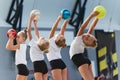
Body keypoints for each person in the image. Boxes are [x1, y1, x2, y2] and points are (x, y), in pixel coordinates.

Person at [69, 11, 99, 80]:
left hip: (79, 59)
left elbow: (82, 27)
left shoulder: (78, 39)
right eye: (88, 35)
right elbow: (92, 27)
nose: (86, 36)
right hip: (83, 59)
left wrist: (91, 15)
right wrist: (97, 18)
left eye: (87, 38)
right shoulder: (83, 41)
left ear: (86, 43)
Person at [27, 13, 49, 80]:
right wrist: (35, 24)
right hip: (43, 64)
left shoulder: (34, 44)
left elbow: (29, 31)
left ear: (40, 41)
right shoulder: (39, 45)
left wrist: (30, 19)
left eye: (43, 38)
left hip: (37, 64)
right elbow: (37, 34)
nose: (42, 37)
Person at [47, 14, 69, 80]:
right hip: (62, 63)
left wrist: (58, 19)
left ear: (56, 39)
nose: (60, 34)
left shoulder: (51, 41)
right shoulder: (58, 43)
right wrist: (66, 21)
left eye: (59, 35)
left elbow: (53, 29)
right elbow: (63, 29)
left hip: (55, 63)